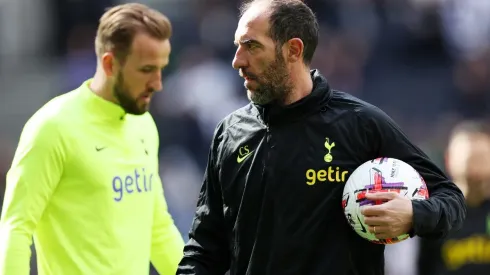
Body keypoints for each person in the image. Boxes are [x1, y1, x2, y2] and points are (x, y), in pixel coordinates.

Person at [177, 0, 466, 274]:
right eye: (237, 46)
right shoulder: (229, 133)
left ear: (293, 50)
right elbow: (204, 248)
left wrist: (414, 213)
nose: (237, 61)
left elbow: (450, 198)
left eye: (251, 46)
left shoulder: (360, 123)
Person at [0, 3, 184, 275]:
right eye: (146, 69)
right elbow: (16, 227)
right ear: (110, 63)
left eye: (161, 68)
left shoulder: (143, 124)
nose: (157, 83)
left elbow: (157, 227)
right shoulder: (52, 127)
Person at [418, 120, 490, 275]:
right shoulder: (432, 213)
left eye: (482, 156)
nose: (476, 163)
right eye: (471, 156)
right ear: (449, 159)